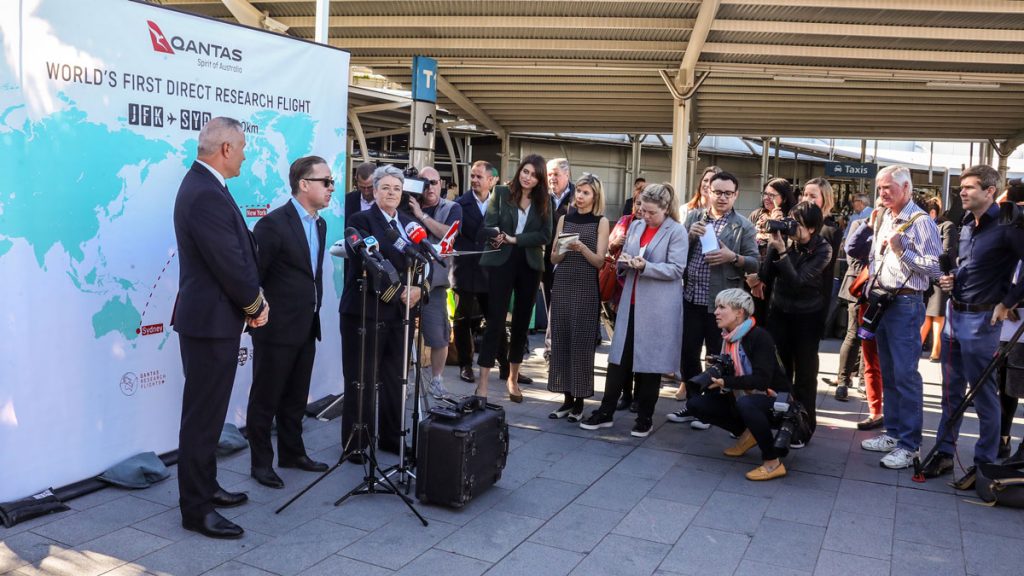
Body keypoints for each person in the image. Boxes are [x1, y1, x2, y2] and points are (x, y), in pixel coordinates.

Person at [172, 117, 267, 539]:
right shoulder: (205, 193)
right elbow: (228, 261)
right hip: (210, 323)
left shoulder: (208, 187)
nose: (246, 154)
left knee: (208, 416)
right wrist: (255, 303)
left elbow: (236, 250)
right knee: (202, 419)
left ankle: (206, 487)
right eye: (243, 147)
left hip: (213, 320)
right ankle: (196, 509)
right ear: (226, 148)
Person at [924, 165, 1024, 484]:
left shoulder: (1008, 226)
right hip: (956, 313)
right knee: (951, 393)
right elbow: (968, 266)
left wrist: (1007, 303)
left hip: (983, 319)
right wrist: (953, 279)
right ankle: (943, 453)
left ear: (990, 191)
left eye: (969, 187)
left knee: (983, 396)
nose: (963, 192)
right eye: (961, 188)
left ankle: (984, 463)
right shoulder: (966, 224)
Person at [246, 156, 331, 490]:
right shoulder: (272, 224)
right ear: (304, 184)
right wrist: (259, 315)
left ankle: (293, 453)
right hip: (275, 328)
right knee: (266, 397)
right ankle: (261, 463)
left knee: (297, 396)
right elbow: (255, 277)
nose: (330, 188)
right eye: (325, 181)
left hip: (307, 324)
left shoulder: (320, 224)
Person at [580, 183, 688, 437]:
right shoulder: (637, 225)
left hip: (659, 307)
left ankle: (645, 417)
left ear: (665, 209)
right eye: (642, 209)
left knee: (650, 363)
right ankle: (605, 411)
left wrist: (646, 266)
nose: (645, 216)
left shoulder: (677, 231)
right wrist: (625, 263)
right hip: (630, 300)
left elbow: (676, 269)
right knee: (618, 359)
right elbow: (624, 259)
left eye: (651, 212)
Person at [339, 165, 428, 460]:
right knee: (361, 378)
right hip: (366, 310)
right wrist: (401, 291)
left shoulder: (408, 223)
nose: (391, 193)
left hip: (401, 314)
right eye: (386, 187)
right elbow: (368, 262)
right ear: (374, 190)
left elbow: (423, 261)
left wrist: (420, 288)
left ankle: (392, 438)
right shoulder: (360, 220)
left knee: (395, 379)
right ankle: (357, 443)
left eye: (397, 188)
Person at [860, 165, 942, 470]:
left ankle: (910, 445)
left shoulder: (921, 222)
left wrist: (901, 251)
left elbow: (935, 269)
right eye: (879, 188)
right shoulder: (884, 216)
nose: (882, 193)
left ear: (906, 188)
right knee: (891, 373)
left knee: (906, 376)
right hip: (884, 301)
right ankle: (893, 433)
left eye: (888, 188)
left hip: (906, 303)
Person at [671, 172, 759, 429]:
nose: (721, 197)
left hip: (721, 305)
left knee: (715, 358)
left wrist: (733, 257)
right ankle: (693, 403)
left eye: (727, 193)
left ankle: (708, 408)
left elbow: (755, 262)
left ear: (736, 195)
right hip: (691, 297)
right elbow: (678, 255)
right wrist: (688, 236)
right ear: (707, 191)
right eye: (717, 192)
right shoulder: (694, 217)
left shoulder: (743, 225)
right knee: (687, 353)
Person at [686, 289, 790, 481]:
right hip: (741, 395)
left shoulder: (759, 337)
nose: (715, 312)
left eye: (721, 307)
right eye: (716, 306)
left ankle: (772, 462)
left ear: (739, 312)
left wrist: (727, 381)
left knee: (746, 404)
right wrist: (715, 380)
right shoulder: (727, 337)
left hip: (774, 399)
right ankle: (747, 434)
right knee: (695, 404)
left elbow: (762, 380)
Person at [476, 154, 553, 401]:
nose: (527, 177)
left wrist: (516, 239)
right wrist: (498, 235)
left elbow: (546, 234)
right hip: (502, 261)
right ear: (519, 171)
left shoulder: (544, 200)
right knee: (495, 323)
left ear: (540, 179)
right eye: (525, 171)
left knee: (521, 324)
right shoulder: (500, 193)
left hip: (529, 264)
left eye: (533, 174)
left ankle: (513, 378)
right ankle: (483, 384)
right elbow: (488, 224)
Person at [758, 201, 832, 445]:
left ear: (811, 228)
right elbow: (765, 276)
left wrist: (781, 252)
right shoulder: (785, 240)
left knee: (805, 377)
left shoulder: (823, 248)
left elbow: (798, 280)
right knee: (780, 373)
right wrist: (772, 247)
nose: (791, 227)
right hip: (780, 313)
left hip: (807, 318)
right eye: (789, 220)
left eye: (797, 224)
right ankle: (781, 421)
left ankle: (803, 427)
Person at [548, 173, 610, 421]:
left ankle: (580, 402)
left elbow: (599, 261)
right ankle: (565, 400)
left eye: (585, 193)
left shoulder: (601, 221)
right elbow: (552, 258)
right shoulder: (564, 218)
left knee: (581, 345)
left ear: (595, 196)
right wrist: (562, 248)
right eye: (578, 192)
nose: (580, 197)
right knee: (561, 341)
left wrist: (582, 247)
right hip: (562, 283)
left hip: (586, 288)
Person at [451, 161, 513, 385]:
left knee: (495, 319)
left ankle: (506, 365)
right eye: (473, 176)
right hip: (465, 271)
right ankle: (465, 365)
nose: (475, 180)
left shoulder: (503, 203)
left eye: (479, 176)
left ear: (492, 180)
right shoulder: (459, 204)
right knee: (462, 320)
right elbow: (461, 235)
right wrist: (489, 233)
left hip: (492, 272)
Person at [407, 165, 462, 399]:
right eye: (424, 182)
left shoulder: (452, 207)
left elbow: (448, 234)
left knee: (438, 335)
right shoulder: (406, 205)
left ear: (442, 184)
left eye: (435, 182)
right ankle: (405, 381)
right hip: (407, 280)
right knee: (402, 335)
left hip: (435, 283)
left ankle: (437, 380)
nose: (430, 187)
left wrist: (421, 216)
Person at [832, 208, 884, 425]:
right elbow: (851, 249)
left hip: (881, 291)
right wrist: (869, 226)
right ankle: (843, 380)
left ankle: (865, 382)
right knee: (854, 333)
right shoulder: (861, 223)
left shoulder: (900, 225)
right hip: (859, 285)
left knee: (870, 339)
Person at [747, 178, 797, 323]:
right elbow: (746, 244)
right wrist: (751, 276)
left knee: (764, 321)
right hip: (751, 275)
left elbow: (779, 250)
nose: (767, 198)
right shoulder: (757, 214)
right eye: (765, 194)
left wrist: (777, 225)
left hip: (772, 279)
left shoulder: (788, 220)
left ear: (784, 198)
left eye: (772, 195)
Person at [800, 177, 841, 337]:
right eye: (805, 194)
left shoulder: (830, 230)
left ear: (825, 199)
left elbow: (826, 272)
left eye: (813, 196)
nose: (807, 199)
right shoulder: (795, 225)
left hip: (814, 300)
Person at [920, 197, 957, 363]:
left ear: (933, 213)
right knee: (926, 315)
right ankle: (919, 346)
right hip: (924, 277)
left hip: (939, 275)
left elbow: (947, 252)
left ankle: (936, 349)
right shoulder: (924, 226)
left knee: (937, 314)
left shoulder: (947, 226)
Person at [543, 157, 574, 309]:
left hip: (570, 256)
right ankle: (551, 332)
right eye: (549, 175)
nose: (552, 178)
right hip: (545, 257)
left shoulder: (579, 195)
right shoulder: (541, 196)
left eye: (555, 174)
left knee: (567, 303)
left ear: (567, 174)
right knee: (549, 301)